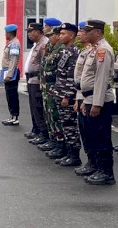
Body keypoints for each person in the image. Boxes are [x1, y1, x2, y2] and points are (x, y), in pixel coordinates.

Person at [79, 20, 116, 186]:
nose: (86, 34)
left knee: (102, 137)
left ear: (98, 32)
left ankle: (106, 172)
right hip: (90, 98)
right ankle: (97, 166)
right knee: (93, 136)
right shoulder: (94, 49)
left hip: (98, 100)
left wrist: (96, 103)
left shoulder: (103, 50)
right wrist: (84, 99)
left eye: (89, 31)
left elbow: (101, 79)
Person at [53, 23, 81, 167]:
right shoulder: (66, 51)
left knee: (70, 125)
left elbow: (72, 76)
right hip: (60, 92)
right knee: (65, 124)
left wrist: (68, 96)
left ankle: (75, 155)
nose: (60, 36)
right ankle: (69, 153)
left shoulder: (74, 52)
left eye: (64, 34)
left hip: (66, 95)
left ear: (71, 35)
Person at [73, 21, 97, 177]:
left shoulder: (95, 52)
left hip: (90, 97)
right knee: (84, 132)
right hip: (82, 96)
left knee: (91, 132)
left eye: (82, 31)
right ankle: (90, 161)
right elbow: (80, 78)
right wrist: (77, 98)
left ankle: (94, 163)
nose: (80, 34)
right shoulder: (85, 51)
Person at [40, 24, 65, 159]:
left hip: (55, 89)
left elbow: (60, 72)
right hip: (48, 88)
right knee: (50, 116)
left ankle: (61, 145)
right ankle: (54, 141)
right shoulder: (52, 49)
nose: (50, 39)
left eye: (52, 36)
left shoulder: (61, 50)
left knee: (56, 117)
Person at [25, 23, 48, 144]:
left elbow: (44, 65)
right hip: (32, 79)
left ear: (38, 32)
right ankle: (37, 130)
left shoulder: (43, 44)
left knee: (39, 108)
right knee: (34, 107)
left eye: (31, 31)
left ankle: (43, 133)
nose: (28, 34)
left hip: (37, 80)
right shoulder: (37, 44)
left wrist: (42, 83)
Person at [1, 24, 21, 126]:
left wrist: (9, 74)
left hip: (11, 74)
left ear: (10, 33)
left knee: (12, 95)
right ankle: (12, 115)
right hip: (8, 72)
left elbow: (13, 60)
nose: (5, 35)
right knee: (9, 95)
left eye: (6, 33)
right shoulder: (11, 43)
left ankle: (15, 117)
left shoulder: (14, 44)